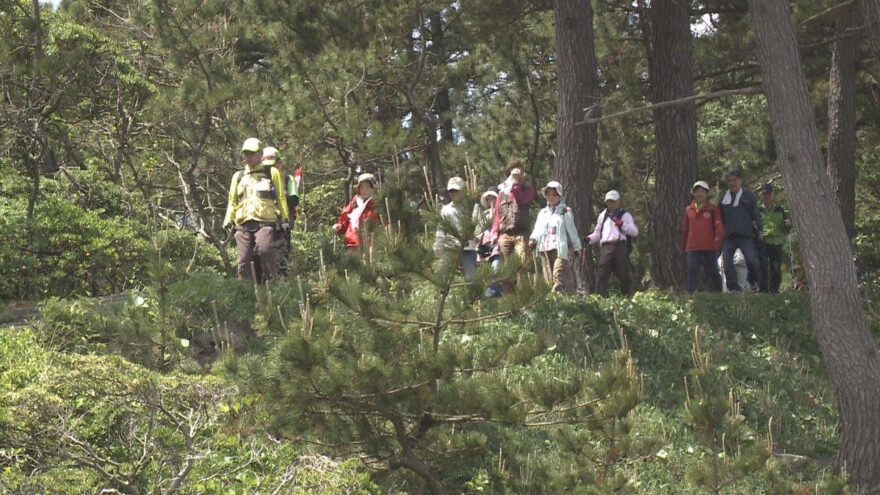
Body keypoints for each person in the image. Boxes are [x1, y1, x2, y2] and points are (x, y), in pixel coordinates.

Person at [223, 137, 290, 282]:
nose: (249, 157)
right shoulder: (238, 176)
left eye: (252, 153)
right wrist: (228, 220)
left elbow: (280, 196)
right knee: (243, 260)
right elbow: (232, 201)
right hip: (242, 224)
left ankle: (270, 286)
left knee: (265, 251)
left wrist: (285, 218)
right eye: (246, 154)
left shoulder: (271, 172)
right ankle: (246, 293)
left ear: (260, 154)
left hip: (265, 222)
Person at [529, 181, 582, 293]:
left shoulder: (565, 211)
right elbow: (537, 229)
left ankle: (556, 298)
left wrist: (577, 247)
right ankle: (555, 302)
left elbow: (572, 230)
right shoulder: (542, 213)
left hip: (559, 248)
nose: (551, 197)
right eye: (548, 194)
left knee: (558, 274)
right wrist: (532, 239)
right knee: (548, 276)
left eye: (554, 194)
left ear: (559, 196)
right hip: (544, 247)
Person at [491, 159, 535, 292]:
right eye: (514, 172)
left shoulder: (528, 190)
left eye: (519, 172)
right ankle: (509, 301)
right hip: (505, 235)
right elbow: (497, 216)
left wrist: (516, 184)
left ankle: (524, 298)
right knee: (506, 270)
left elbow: (521, 199)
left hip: (521, 234)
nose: (517, 175)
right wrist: (495, 233)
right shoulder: (502, 194)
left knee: (522, 266)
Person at [586, 190, 639, 297]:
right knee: (602, 273)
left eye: (614, 201)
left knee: (623, 273)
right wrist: (589, 239)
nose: (611, 204)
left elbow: (635, 232)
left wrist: (623, 224)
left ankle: (627, 296)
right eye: (609, 201)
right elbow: (597, 233)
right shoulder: (603, 215)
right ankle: (600, 298)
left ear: (619, 201)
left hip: (620, 246)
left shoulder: (625, 215)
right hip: (606, 247)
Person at [717, 169, 762, 293]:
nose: (732, 183)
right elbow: (719, 219)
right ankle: (733, 288)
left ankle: (753, 281)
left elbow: (756, 215)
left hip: (745, 235)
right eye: (730, 181)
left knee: (752, 260)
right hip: (729, 236)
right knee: (727, 262)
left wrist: (760, 231)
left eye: (734, 180)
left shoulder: (749, 196)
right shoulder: (723, 200)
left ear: (740, 181)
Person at [680, 181, 724, 293]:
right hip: (693, 245)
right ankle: (692, 293)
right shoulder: (688, 210)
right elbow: (685, 228)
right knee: (692, 270)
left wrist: (718, 236)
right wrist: (684, 244)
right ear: (694, 194)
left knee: (714, 270)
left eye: (702, 191)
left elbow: (718, 224)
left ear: (707, 193)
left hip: (710, 245)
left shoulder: (713, 209)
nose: (700, 194)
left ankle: (719, 292)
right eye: (697, 191)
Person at [434, 177, 481, 281]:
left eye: (456, 190)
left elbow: (479, 225)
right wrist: (438, 244)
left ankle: (472, 296)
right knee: (441, 276)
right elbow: (441, 229)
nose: (453, 193)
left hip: (468, 248)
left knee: (470, 278)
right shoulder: (445, 210)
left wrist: (476, 235)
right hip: (450, 248)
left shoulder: (472, 207)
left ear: (463, 191)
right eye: (451, 191)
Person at [262, 146, 299, 276]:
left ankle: (282, 284)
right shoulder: (258, 178)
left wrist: (279, 194)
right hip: (263, 223)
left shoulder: (289, 179)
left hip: (282, 224)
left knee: (281, 257)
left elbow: (294, 200)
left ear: (279, 163)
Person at [332, 173, 381, 251]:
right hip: (352, 244)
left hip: (371, 247)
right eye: (362, 188)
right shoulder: (355, 203)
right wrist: (340, 226)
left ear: (373, 188)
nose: (364, 190)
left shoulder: (378, 204)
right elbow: (345, 219)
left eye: (368, 187)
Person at [757, 183, 790, 293]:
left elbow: (786, 228)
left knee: (775, 267)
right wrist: (758, 233)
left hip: (776, 242)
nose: (766, 196)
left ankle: (774, 290)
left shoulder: (780, 210)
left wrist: (788, 225)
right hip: (763, 241)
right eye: (764, 194)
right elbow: (754, 225)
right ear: (761, 195)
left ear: (773, 194)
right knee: (763, 266)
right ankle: (763, 289)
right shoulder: (758, 210)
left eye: (768, 194)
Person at [477, 190, 502, 297]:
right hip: (485, 241)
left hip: (497, 240)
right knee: (485, 267)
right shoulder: (484, 214)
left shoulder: (501, 211)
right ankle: (487, 293)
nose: (491, 200)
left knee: (496, 265)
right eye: (489, 199)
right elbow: (480, 227)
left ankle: (494, 290)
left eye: (493, 198)